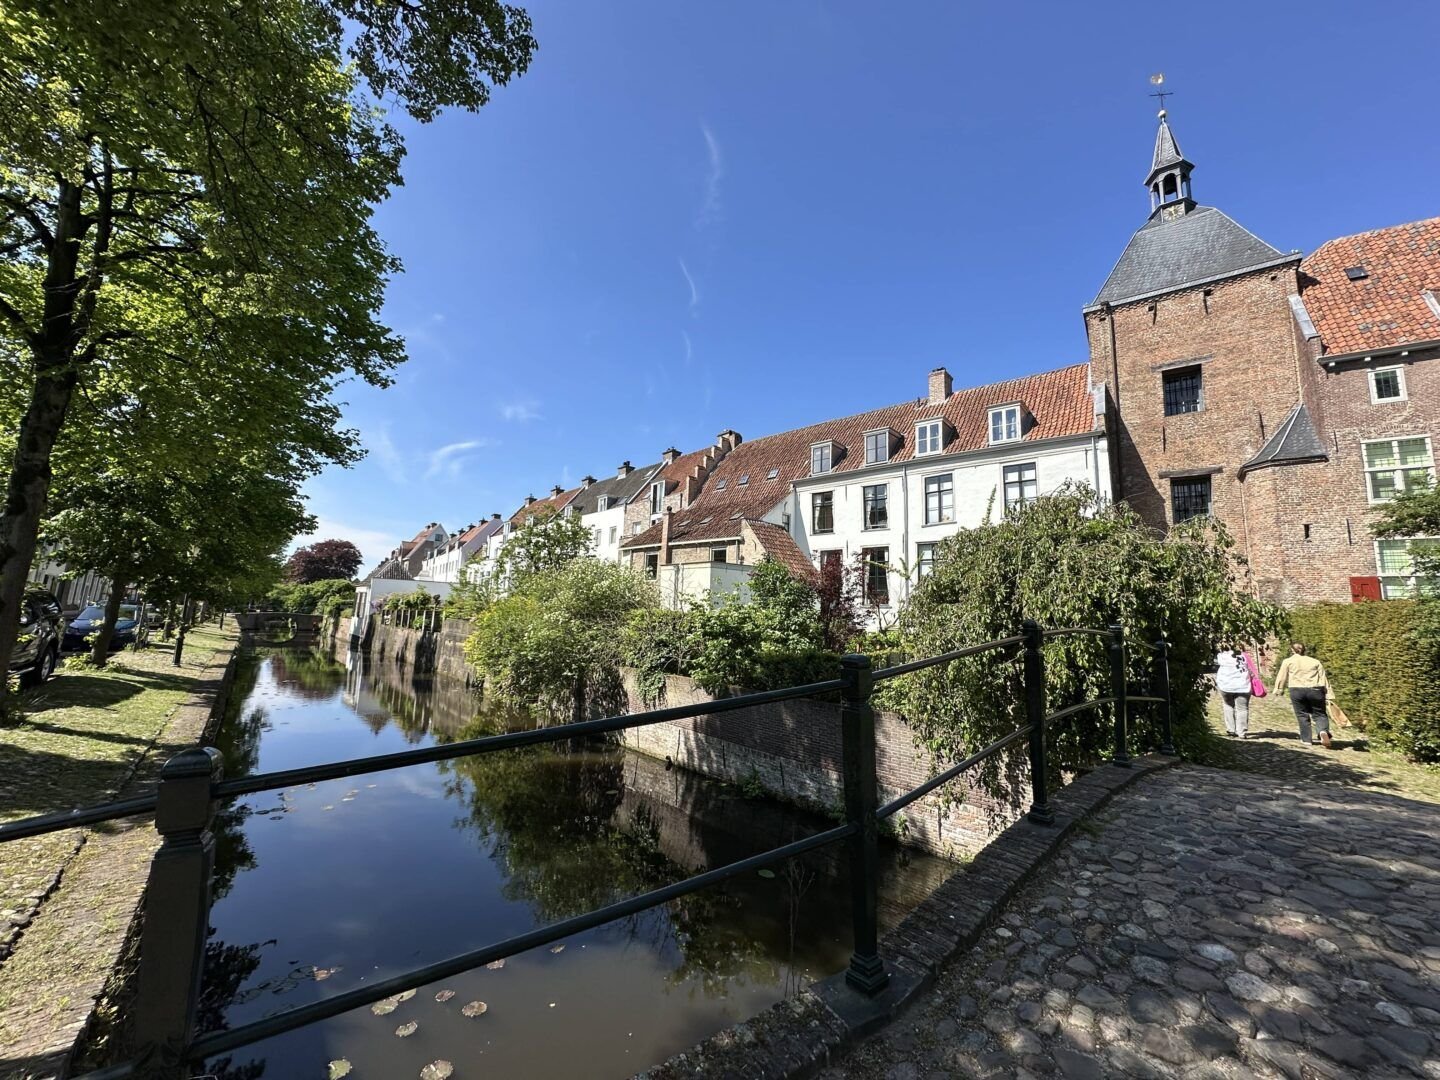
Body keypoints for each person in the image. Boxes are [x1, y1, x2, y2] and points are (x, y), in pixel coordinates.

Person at [1272, 642, 1334, 748]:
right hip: (1315, 689)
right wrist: (1328, 693)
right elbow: (1323, 678)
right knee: (1320, 713)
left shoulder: (1288, 661)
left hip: (1296, 690)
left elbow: (1282, 676)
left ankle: (1306, 739)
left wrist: (1279, 689)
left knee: (1302, 714)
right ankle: (1323, 732)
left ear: (1292, 650)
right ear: (1304, 650)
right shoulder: (1315, 661)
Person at [1214, 645, 1253, 738]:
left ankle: (1231, 729)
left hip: (1226, 686)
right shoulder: (1244, 656)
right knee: (1242, 708)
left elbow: (1215, 661)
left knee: (1228, 705)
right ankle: (1242, 732)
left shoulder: (1221, 656)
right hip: (1243, 686)